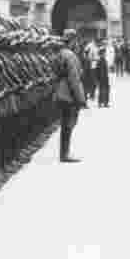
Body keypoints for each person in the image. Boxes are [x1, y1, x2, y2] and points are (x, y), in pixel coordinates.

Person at [55, 29, 85, 162]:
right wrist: (80, 98)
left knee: (65, 124)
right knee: (68, 124)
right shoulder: (70, 56)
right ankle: (65, 154)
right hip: (68, 93)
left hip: (60, 91)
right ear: (72, 41)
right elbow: (74, 79)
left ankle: (64, 153)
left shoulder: (60, 53)